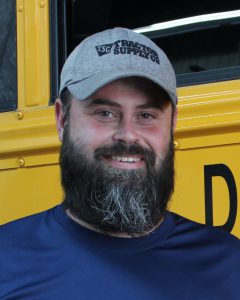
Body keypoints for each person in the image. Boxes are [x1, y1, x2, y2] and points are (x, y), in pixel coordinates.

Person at [0, 27, 239, 300]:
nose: (127, 134)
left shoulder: (229, 267)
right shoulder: (6, 261)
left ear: (172, 125)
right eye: (105, 113)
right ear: (62, 119)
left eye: (146, 115)